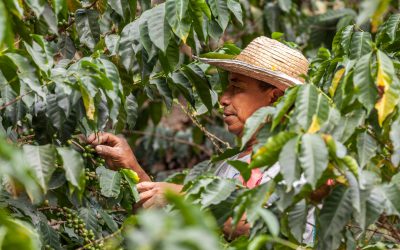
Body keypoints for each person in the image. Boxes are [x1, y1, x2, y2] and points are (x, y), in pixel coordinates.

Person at [86, 36, 311, 238]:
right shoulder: (228, 166)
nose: (223, 98)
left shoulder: (299, 162)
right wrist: (130, 168)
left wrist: (186, 196)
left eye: (236, 87)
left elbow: (263, 229)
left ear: (275, 98)